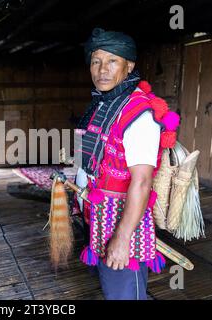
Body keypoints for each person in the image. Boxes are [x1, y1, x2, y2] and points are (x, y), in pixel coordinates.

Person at [74, 27, 179, 300]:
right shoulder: (105, 104)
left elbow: (142, 182)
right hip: (98, 215)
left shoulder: (138, 113)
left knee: (124, 295)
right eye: (96, 61)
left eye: (112, 61)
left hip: (122, 222)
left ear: (129, 65)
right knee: (113, 290)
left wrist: (122, 239)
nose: (102, 70)